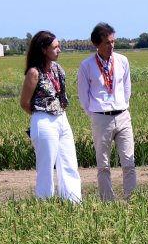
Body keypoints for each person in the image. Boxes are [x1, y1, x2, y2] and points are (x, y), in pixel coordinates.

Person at [77, 22, 137, 201]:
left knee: (129, 161)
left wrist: (122, 105)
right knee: (103, 164)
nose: (111, 46)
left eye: (113, 41)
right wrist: (95, 113)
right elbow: (83, 96)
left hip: (122, 115)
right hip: (101, 118)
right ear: (97, 44)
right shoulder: (86, 65)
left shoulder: (122, 61)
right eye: (107, 43)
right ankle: (107, 201)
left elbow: (127, 87)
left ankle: (131, 198)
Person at [19, 31, 82, 203]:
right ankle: (45, 205)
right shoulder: (34, 73)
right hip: (44, 120)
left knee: (69, 164)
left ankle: (73, 203)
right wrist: (40, 116)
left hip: (62, 118)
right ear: (43, 49)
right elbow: (24, 102)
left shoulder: (57, 69)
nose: (59, 50)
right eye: (55, 47)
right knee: (46, 168)